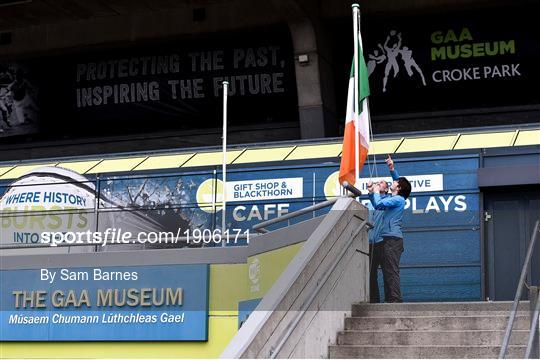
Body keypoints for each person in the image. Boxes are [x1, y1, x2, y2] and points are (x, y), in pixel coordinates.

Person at [368, 171, 411, 303]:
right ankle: (390, 300)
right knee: (388, 271)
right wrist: (391, 169)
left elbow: (379, 205)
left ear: (398, 188)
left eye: (394, 182)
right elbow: (378, 203)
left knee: (391, 271)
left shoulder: (398, 199)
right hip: (389, 238)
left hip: (393, 239)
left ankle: (395, 300)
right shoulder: (394, 198)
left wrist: (375, 191)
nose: (393, 182)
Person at [367, 155, 400, 303]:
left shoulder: (389, 200)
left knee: (388, 272)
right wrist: (370, 192)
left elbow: (398, 185)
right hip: (370, 243)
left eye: (381, 183)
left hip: (383, 241)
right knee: (370, 274)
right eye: (377, 182)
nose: (378, 184)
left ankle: (391, 300)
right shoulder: (372, 202)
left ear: (386, 188)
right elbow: (374, 204)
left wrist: (392, 169)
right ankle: (374, 301)